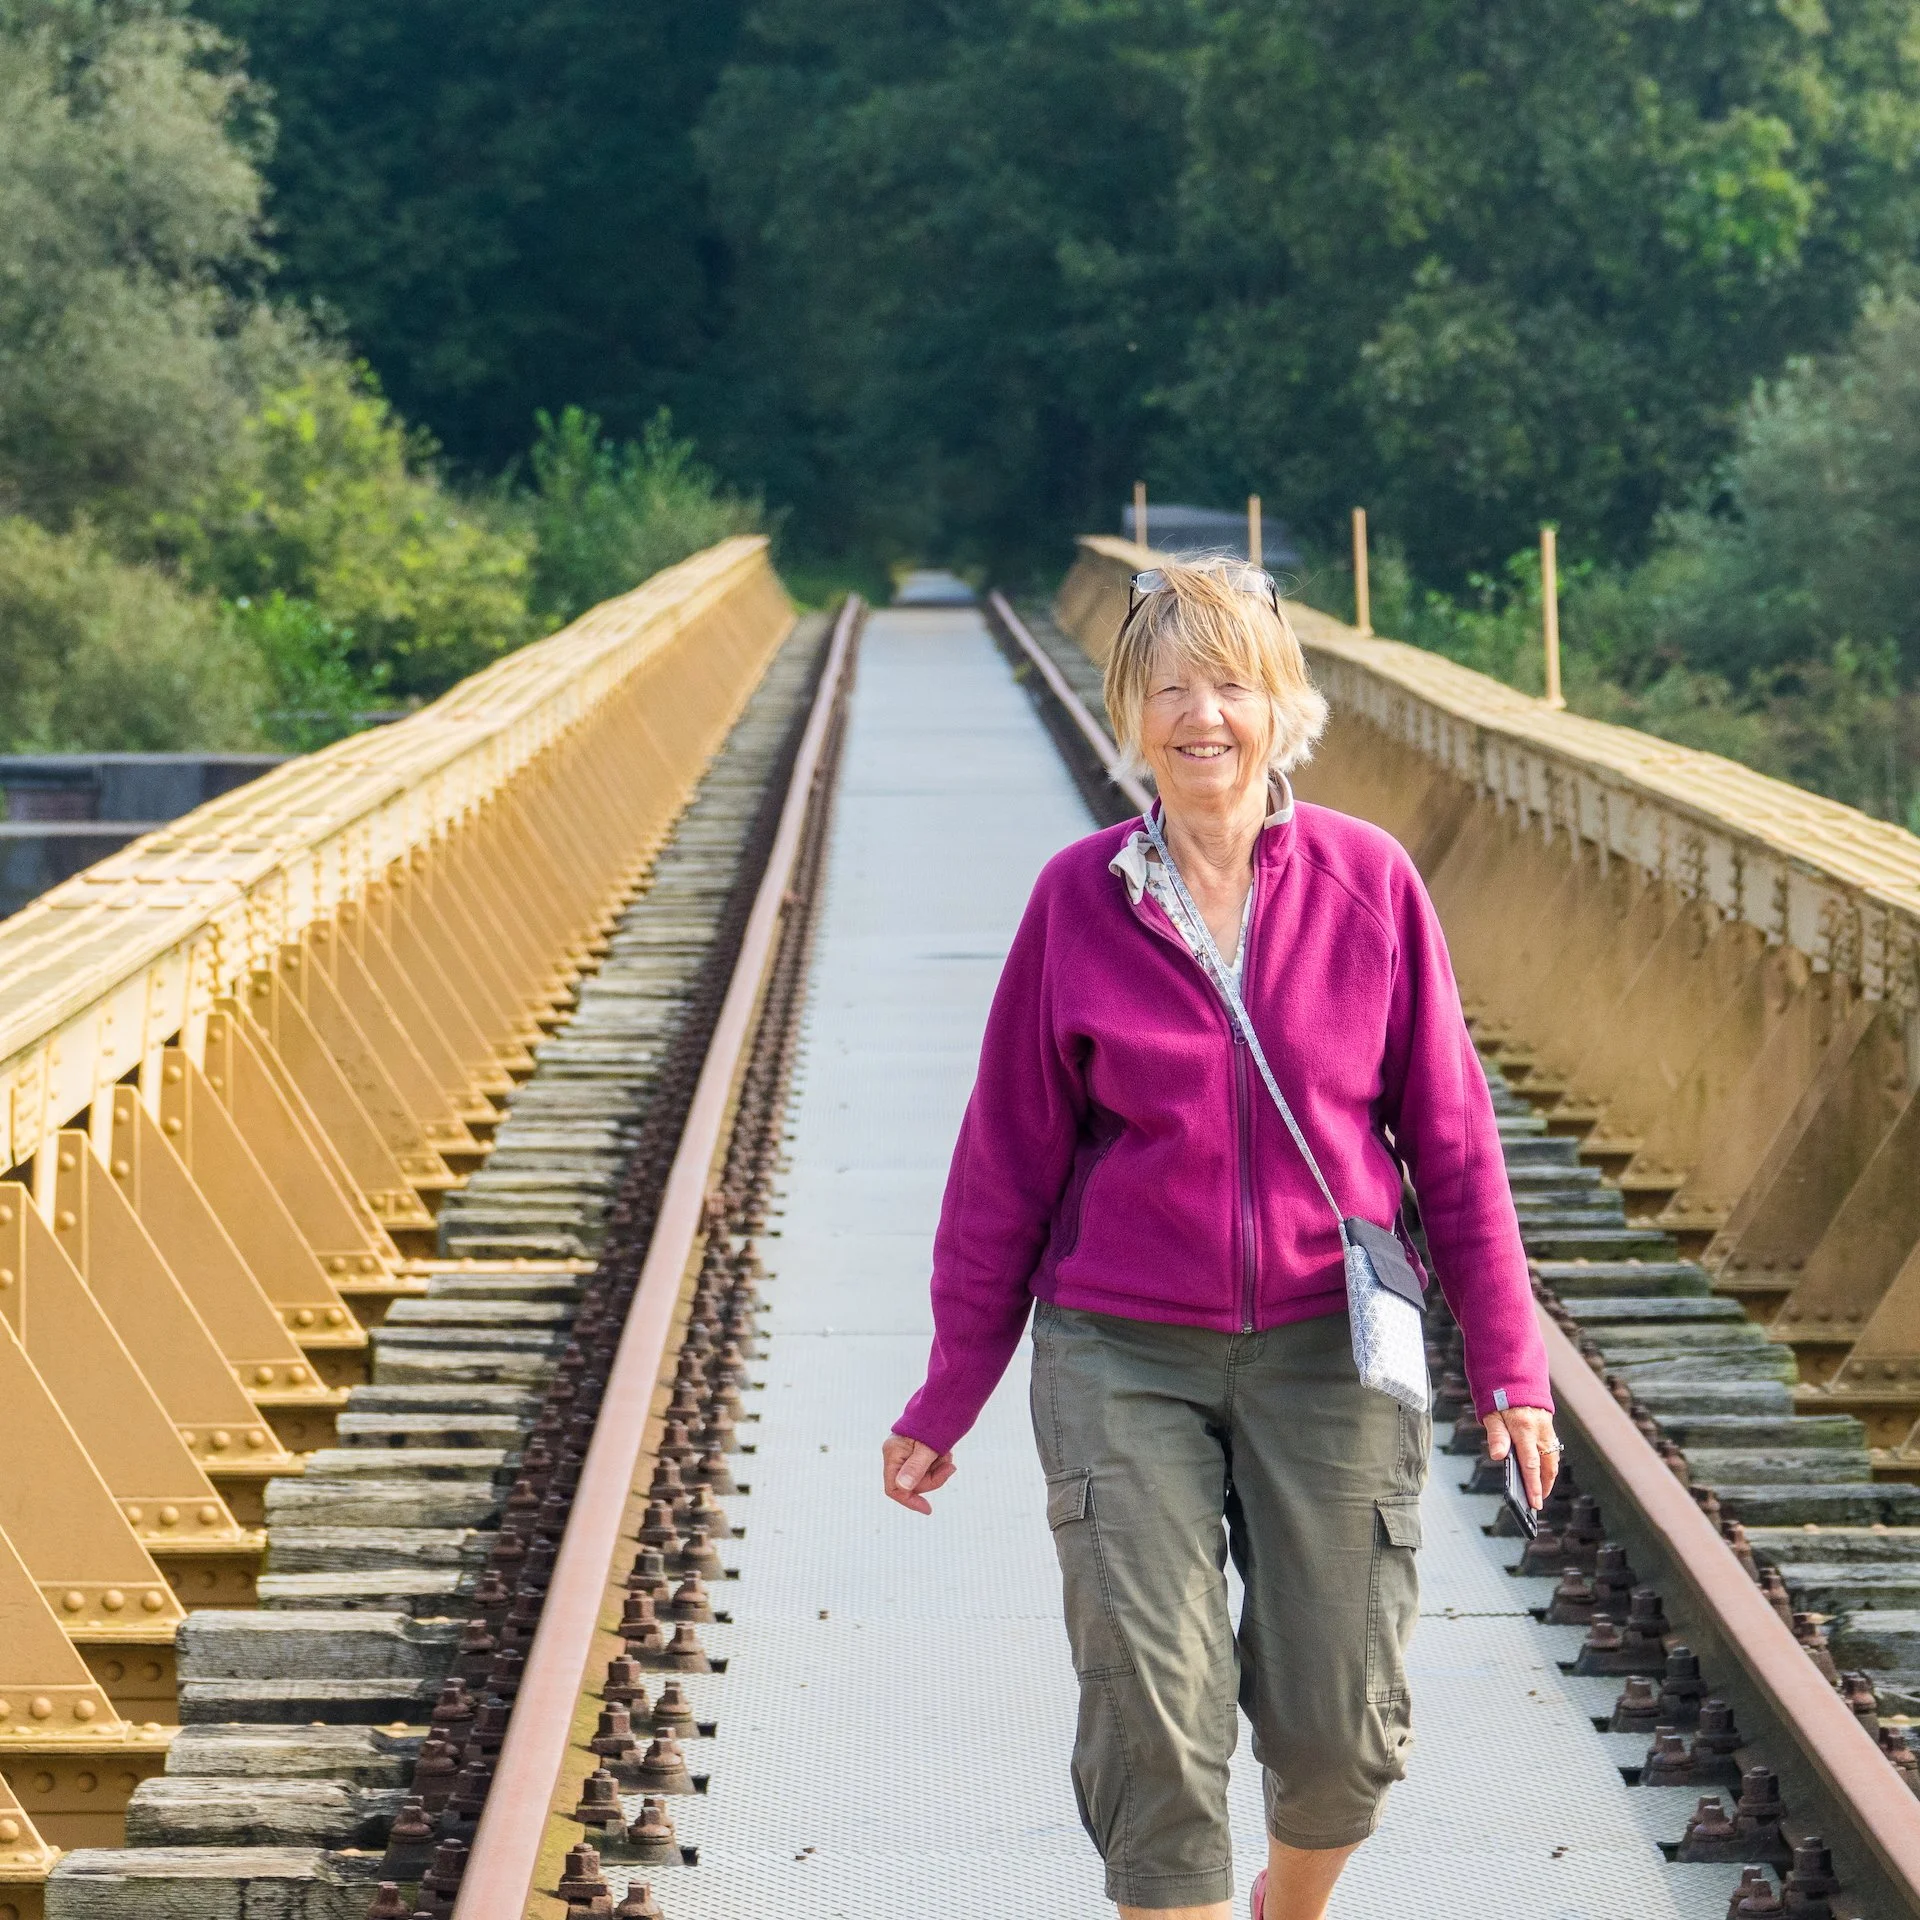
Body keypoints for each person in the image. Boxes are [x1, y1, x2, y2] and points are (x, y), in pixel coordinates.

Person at [880, 556, 1558, 1920]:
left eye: (1231, 684)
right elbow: (1002, 1166)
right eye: (1169, 687)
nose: (1203, 717)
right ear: (1133, 713)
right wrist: (949, 1388)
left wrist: (1512, 1368)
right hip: (1120, 1353)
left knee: (1339, 1730)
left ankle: (1285, 1909)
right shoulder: (1078, 900)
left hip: (1332, 1349)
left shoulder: (1370, 885)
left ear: (1281, 704)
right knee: (1154, 1720)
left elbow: (1456, 1146)